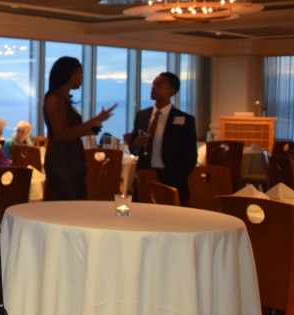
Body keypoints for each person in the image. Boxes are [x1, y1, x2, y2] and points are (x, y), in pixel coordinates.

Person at [42, 57, 116, 201]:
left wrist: (90, 128)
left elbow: (69, 131)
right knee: (69, 203)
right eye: (80, 73)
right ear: (70, 74)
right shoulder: (55, 100)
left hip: (69, 160)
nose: (82, 78)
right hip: (63, 162)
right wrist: (95, 119)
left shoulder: (61, 99)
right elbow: (62, 135)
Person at [129, 72, 198, 205]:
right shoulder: (142, 115)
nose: (153, 87)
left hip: (171, 178)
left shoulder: (185, 119)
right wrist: (136, 145)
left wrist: (178, 179)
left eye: (159, 84)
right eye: (153, 84)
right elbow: (132, 148)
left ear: (172, 90)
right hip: (145, 176)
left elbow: (190, 156)